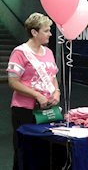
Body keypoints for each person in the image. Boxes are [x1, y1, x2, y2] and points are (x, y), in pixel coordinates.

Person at [6, 12, 60, 169]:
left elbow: (53, 77)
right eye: (46, 30)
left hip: (47, 110)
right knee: (24, 149)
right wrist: (36, 94)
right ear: (34, 32)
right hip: (24, 110)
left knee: (44, 149)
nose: (50, 33)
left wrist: (56, 92)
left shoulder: (48, 52)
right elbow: (13, 82)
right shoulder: (19, 53)